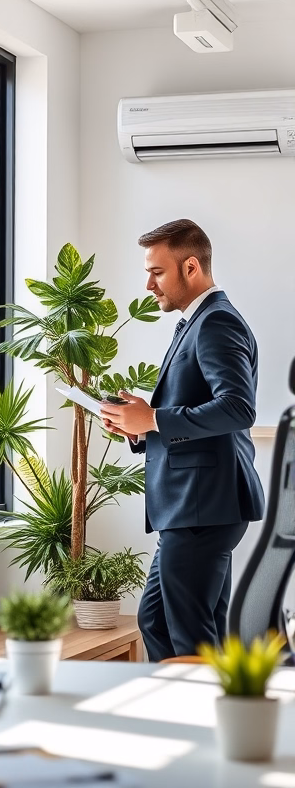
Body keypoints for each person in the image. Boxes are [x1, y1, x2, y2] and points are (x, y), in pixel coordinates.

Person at [100, 219, 265, 662]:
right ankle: (193, 701)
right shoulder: (197, 322)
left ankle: (195, 706)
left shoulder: (216, 322)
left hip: (201, 505)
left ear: (190, 267)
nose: (148, 284)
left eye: (157, 272)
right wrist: (140, 427)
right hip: (195, 505)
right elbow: (195, 408)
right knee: (157, 621)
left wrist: (154, 417)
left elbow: (238, 408)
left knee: (188, 634)